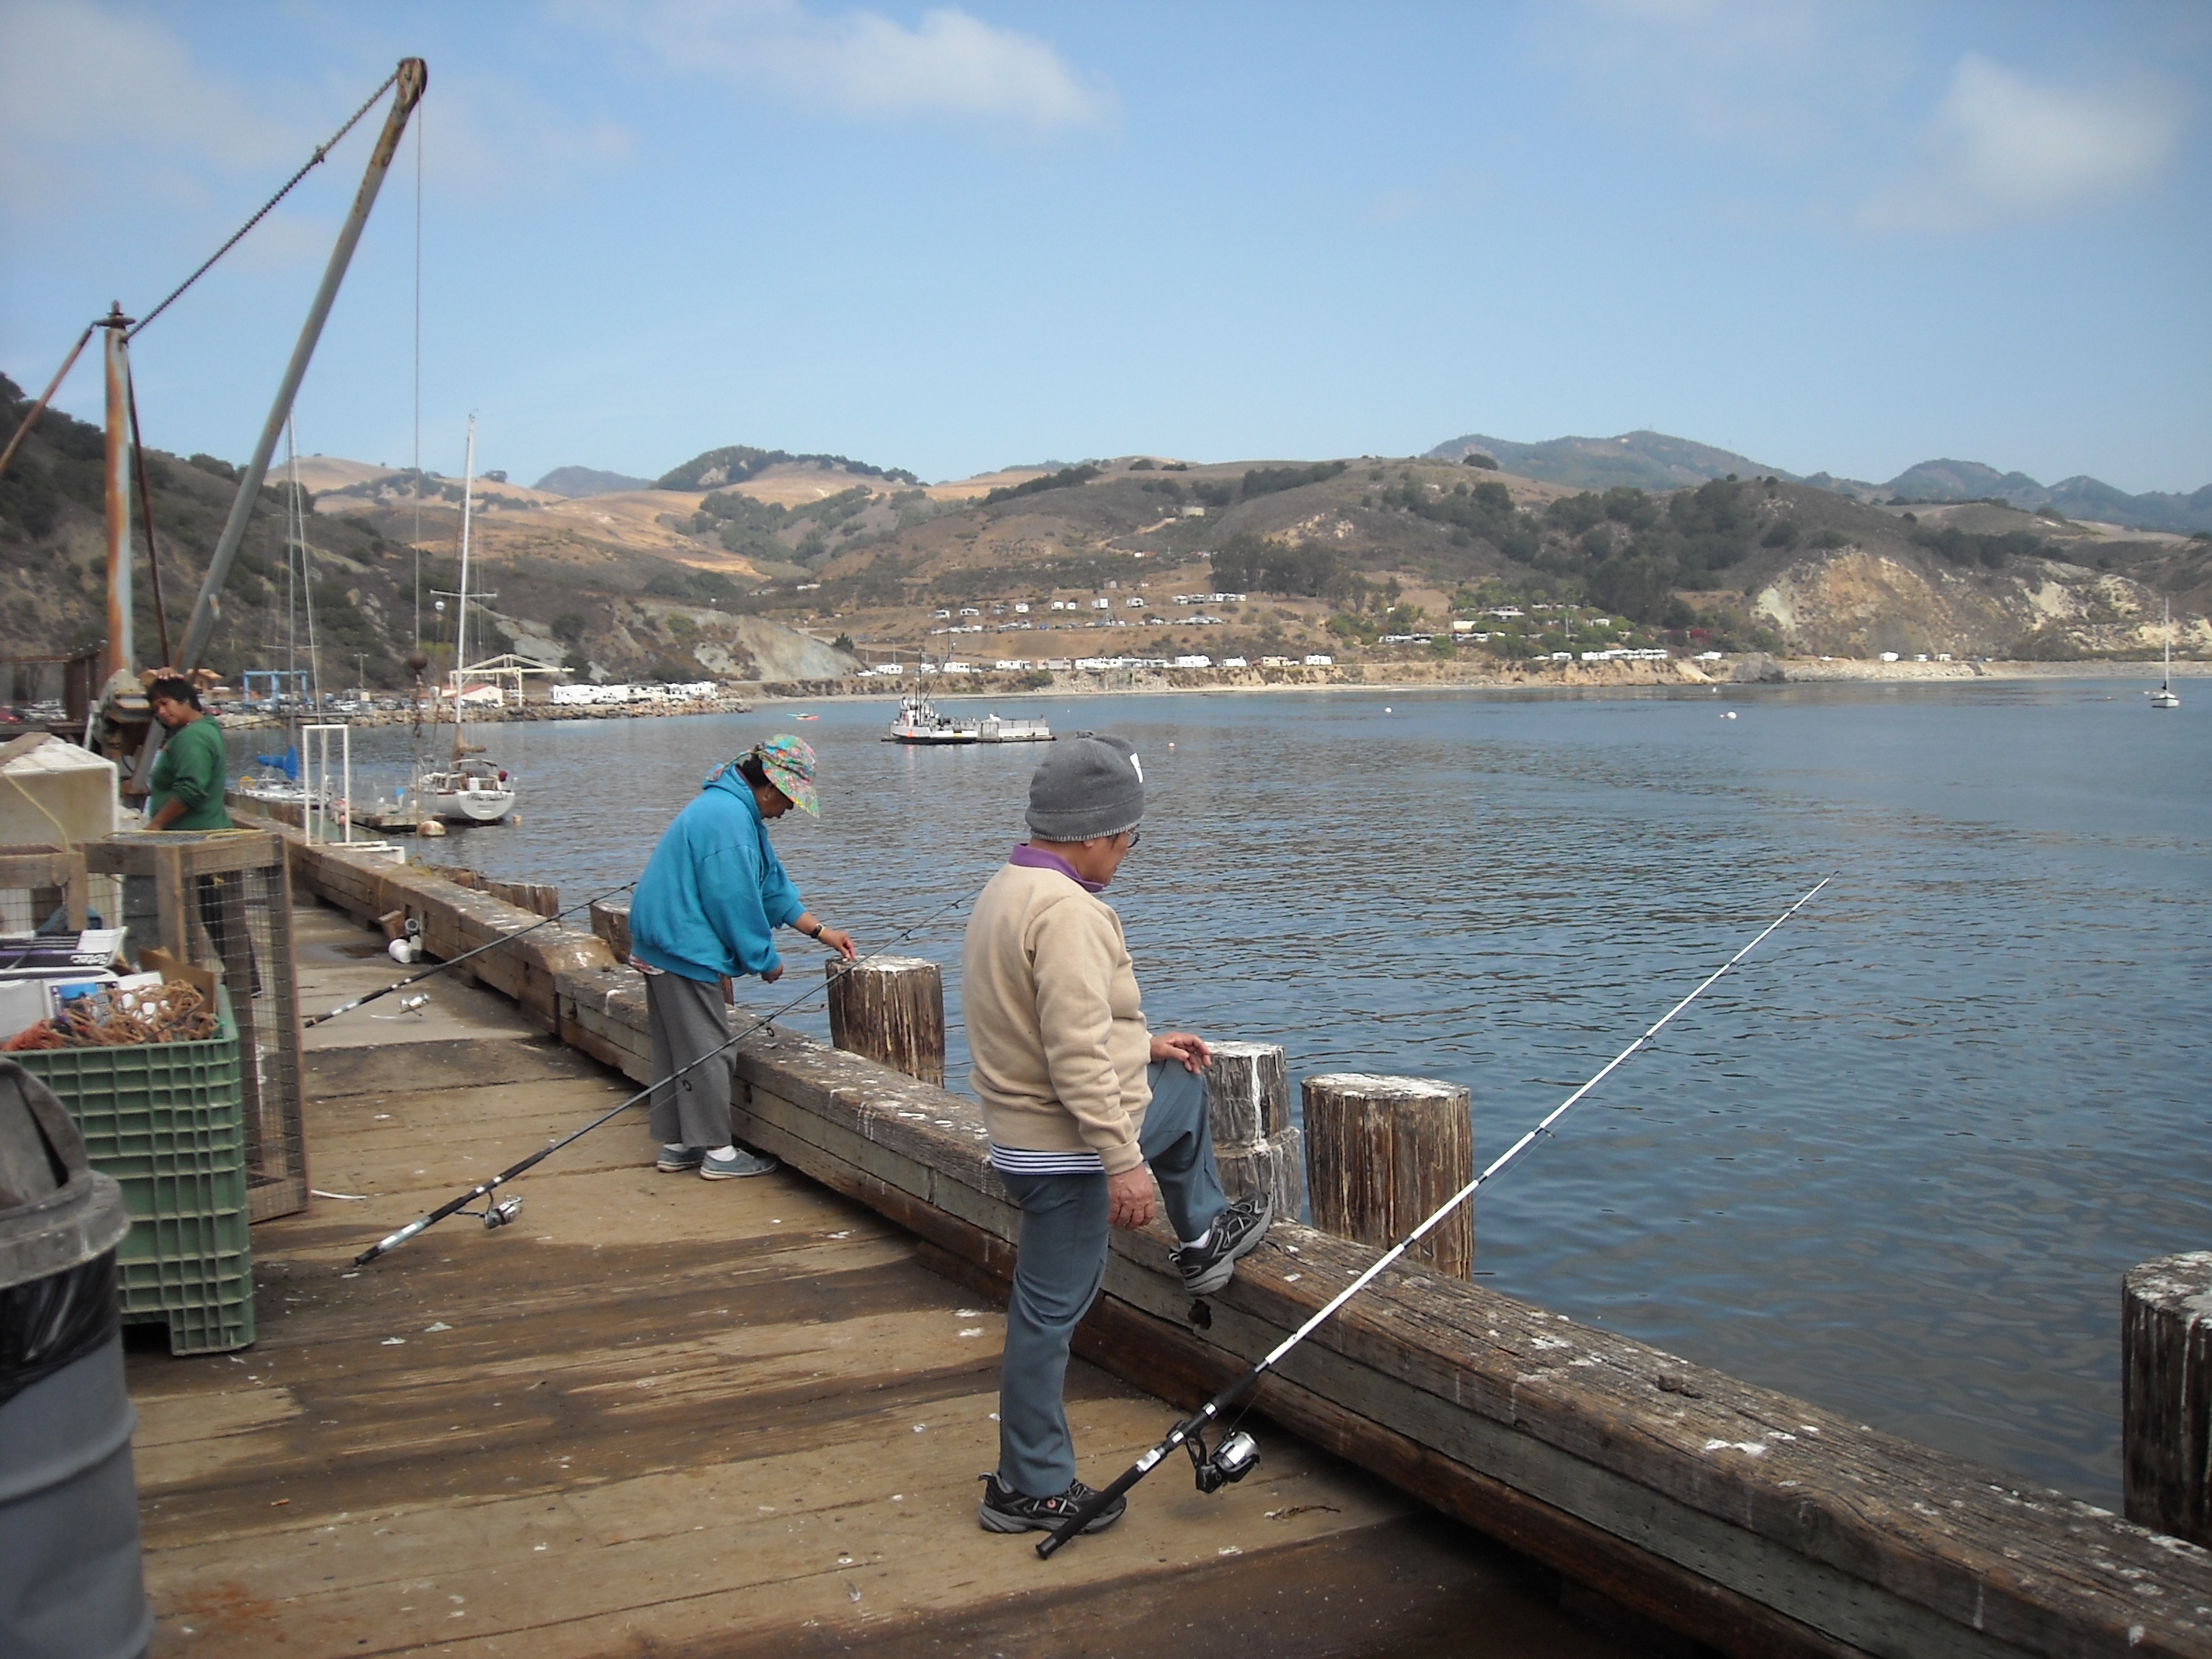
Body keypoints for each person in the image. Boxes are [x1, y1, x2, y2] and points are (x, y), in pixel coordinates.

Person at [962, 733, 1271, 1536]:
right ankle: (1028, 1486)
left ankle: (1205, 1230)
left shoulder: (1008, 889)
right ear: (1097, 832)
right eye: (1130, 838)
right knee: (1047, 1314)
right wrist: (1122, 1164)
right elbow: (1070, 1056)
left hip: (1021, 1136)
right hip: (1066, 1151)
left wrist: (1143, 1043)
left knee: (1175, 1078)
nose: (1129, 853)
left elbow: (1053, 1026)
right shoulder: (1071, 913)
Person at [629, 736, 855, 1179]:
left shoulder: (734, 810)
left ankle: (679, 1144)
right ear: (769, 787)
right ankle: (719, 1154)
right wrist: (763, 958)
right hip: (681, 946)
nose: (789, 810)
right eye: (789, 799)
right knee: (710, 1051)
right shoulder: (729, 820)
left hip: (660, 943)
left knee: (680, 1049)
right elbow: (733, 899)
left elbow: (769, 884)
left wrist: (821, 932)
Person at [144, 676, 231, 832]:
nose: (161, 712)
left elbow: (191, 790)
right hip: (206, 830)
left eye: (164, 703)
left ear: (184, 700)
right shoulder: (206, 725)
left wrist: (157, 823)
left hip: (195, 836)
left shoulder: (193, 737)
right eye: (156, 709)